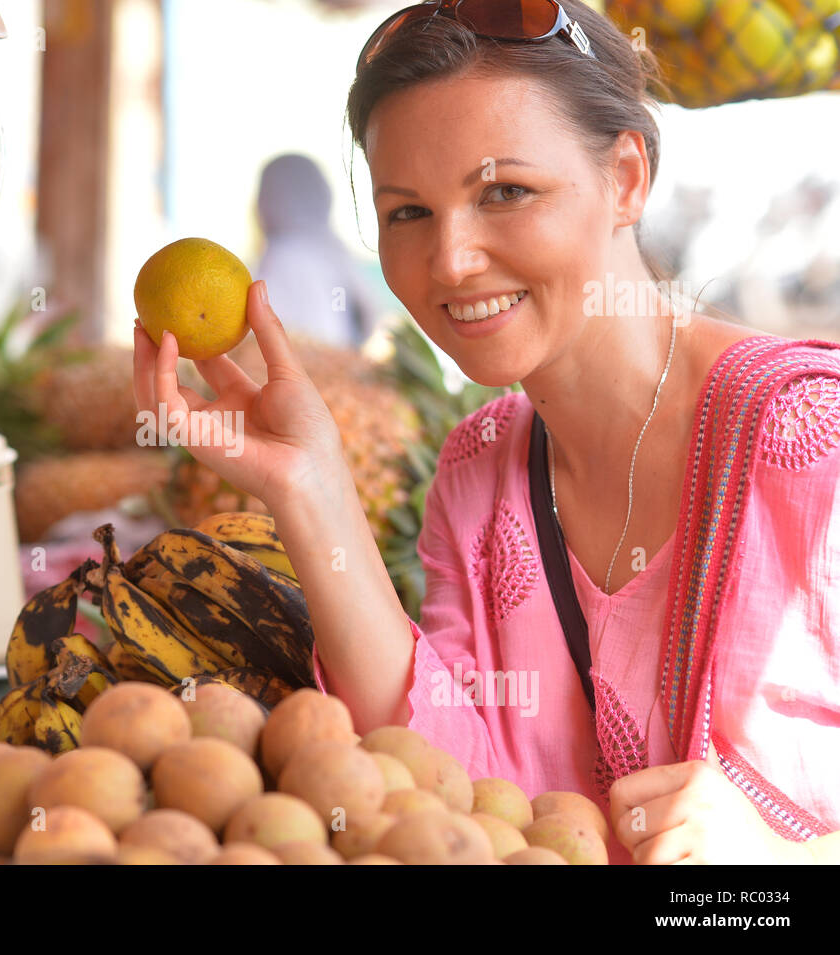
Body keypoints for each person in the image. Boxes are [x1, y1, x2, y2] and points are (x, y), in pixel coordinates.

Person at [132, 0, 840, 865]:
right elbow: (444, 784)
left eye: (505, 192)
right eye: (408, 213)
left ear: (625, 180)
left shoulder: (811, 441)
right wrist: (308, 485)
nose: (451, 260)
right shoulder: (480, 474)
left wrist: (791, 859)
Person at [253, 153, 378, 349]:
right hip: (337, 373)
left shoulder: (284, 256)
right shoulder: (335, 251)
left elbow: (262, 336)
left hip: (304, 375)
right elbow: (366, 322)